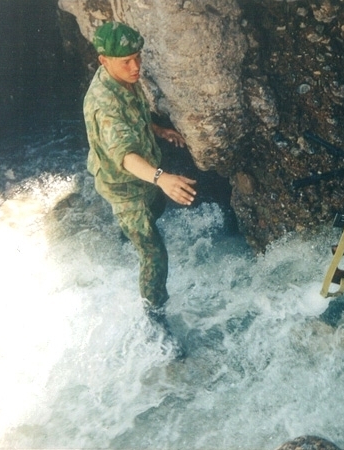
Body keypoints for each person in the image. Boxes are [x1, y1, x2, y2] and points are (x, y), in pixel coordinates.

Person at [83, 22, 197, 330]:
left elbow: (136, 115)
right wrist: (162, 177)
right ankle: (155, 318)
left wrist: (159, 130)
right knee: (154, 255)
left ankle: (126, 235)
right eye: (127, 61)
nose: (136, 67)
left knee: (156, 209)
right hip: (125, 188)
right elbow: (125, 156)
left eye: (138, 57)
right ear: (103, 61)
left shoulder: (122, 77)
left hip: (143, 177)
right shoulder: (103, 105)